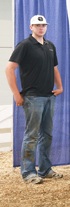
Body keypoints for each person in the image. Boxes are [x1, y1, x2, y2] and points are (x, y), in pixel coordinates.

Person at [5, 15, 64, 184]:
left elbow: (54, 69)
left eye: (43, 25)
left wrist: (60, 87)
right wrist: (16, 94)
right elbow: (9, 69)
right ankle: (28, 172)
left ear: (46, 27)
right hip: (32, 97)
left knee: (47, 135)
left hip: (48, 97)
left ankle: (45, 169)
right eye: (37, 25)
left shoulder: (50, 46)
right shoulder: (24, 45)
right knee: (32, 135)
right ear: (31, 27)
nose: (41, 27)